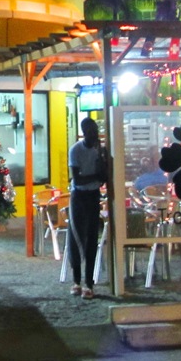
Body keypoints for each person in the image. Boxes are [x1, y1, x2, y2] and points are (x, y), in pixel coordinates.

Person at [68, 117, 107, 300]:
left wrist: (100, 163)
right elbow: (77, 179)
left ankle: (89, 283)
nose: (94, 136)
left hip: (93, 196)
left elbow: (104, 176)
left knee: (92, 237)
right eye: (91, 133)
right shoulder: (75, 150)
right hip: (78, 196)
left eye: (96, 132)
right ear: (84, 133)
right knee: (75, 236)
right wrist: (95, 176)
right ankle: (76, 281)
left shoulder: (100, 151)